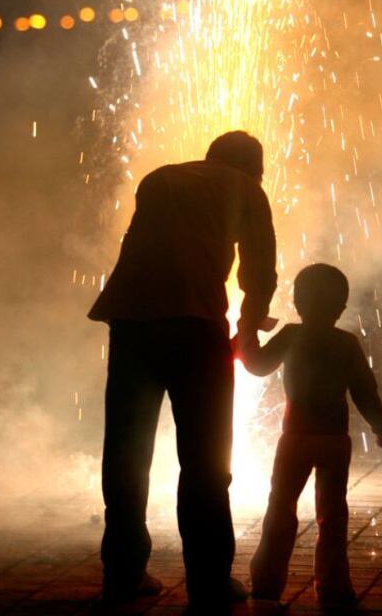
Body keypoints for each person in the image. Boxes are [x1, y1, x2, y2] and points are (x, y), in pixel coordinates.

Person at [88, 130, 277, 603]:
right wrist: (247, 331)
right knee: (206, 460)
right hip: (196, 327)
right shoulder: (247, 188)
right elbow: (259, 273)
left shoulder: (161, 178)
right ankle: (209, 581)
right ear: (253, 168)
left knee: (127, 454)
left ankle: (124, 573)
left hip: (132, 323)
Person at [236, 263, 382, 605]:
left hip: (295, 438)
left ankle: (266, 583)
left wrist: (247, 335)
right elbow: (365, 390)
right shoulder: (347, 343)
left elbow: (258, 366)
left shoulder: (292, 335)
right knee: (332, 514)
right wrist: (379, 426)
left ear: (297, 302)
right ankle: (333, 586)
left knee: (280, 507)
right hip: (335, 439)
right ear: (341, 307)